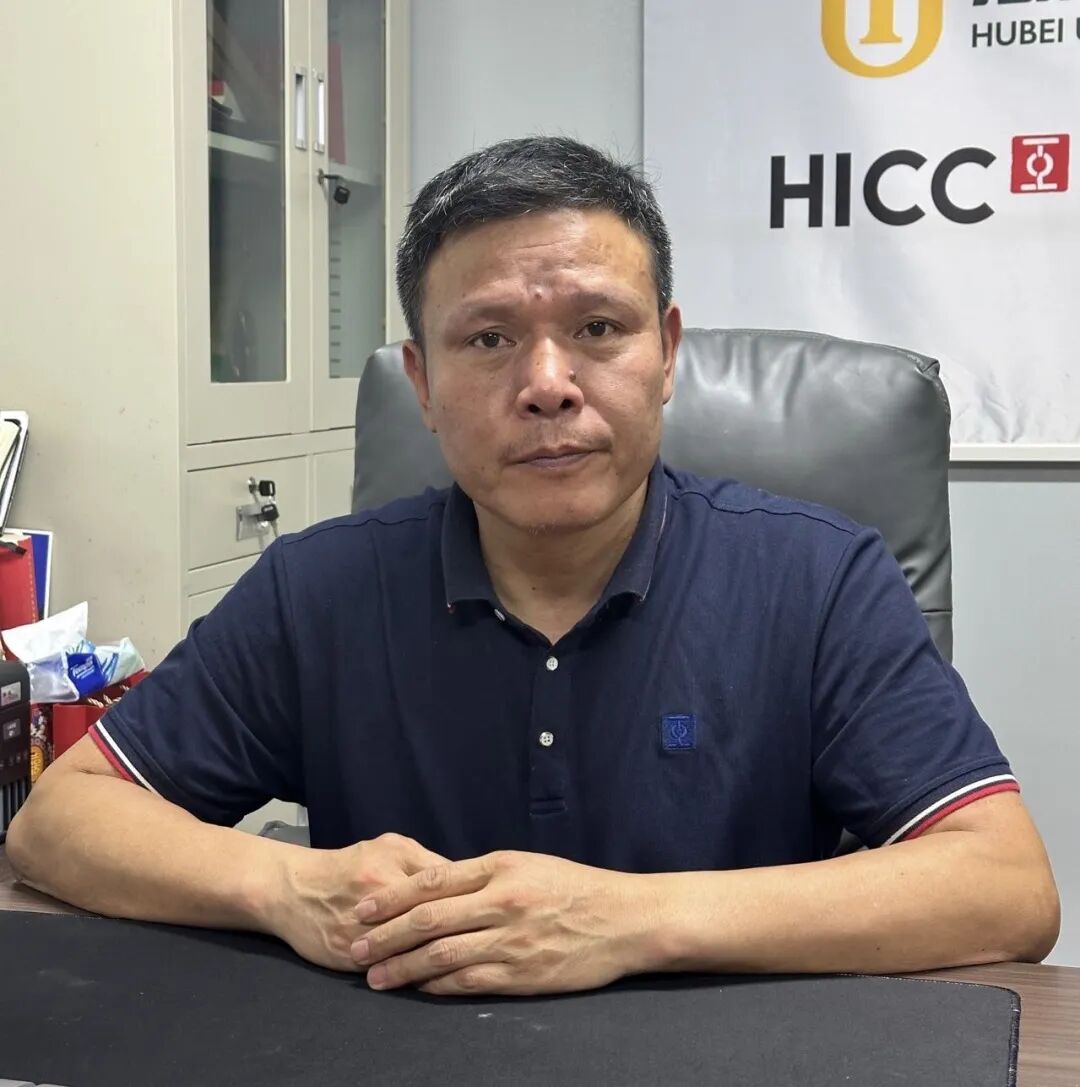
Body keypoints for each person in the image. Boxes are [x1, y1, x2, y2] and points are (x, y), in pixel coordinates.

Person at [9, 137, 1059, 997]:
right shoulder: (318, 590)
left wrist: (622, 919)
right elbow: (62, 820)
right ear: (422, 383)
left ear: (668, 352)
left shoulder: (819, 580)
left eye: (598, 327)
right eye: (489, 340)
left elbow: (1004, 885)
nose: (548, 383)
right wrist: (287, 886)